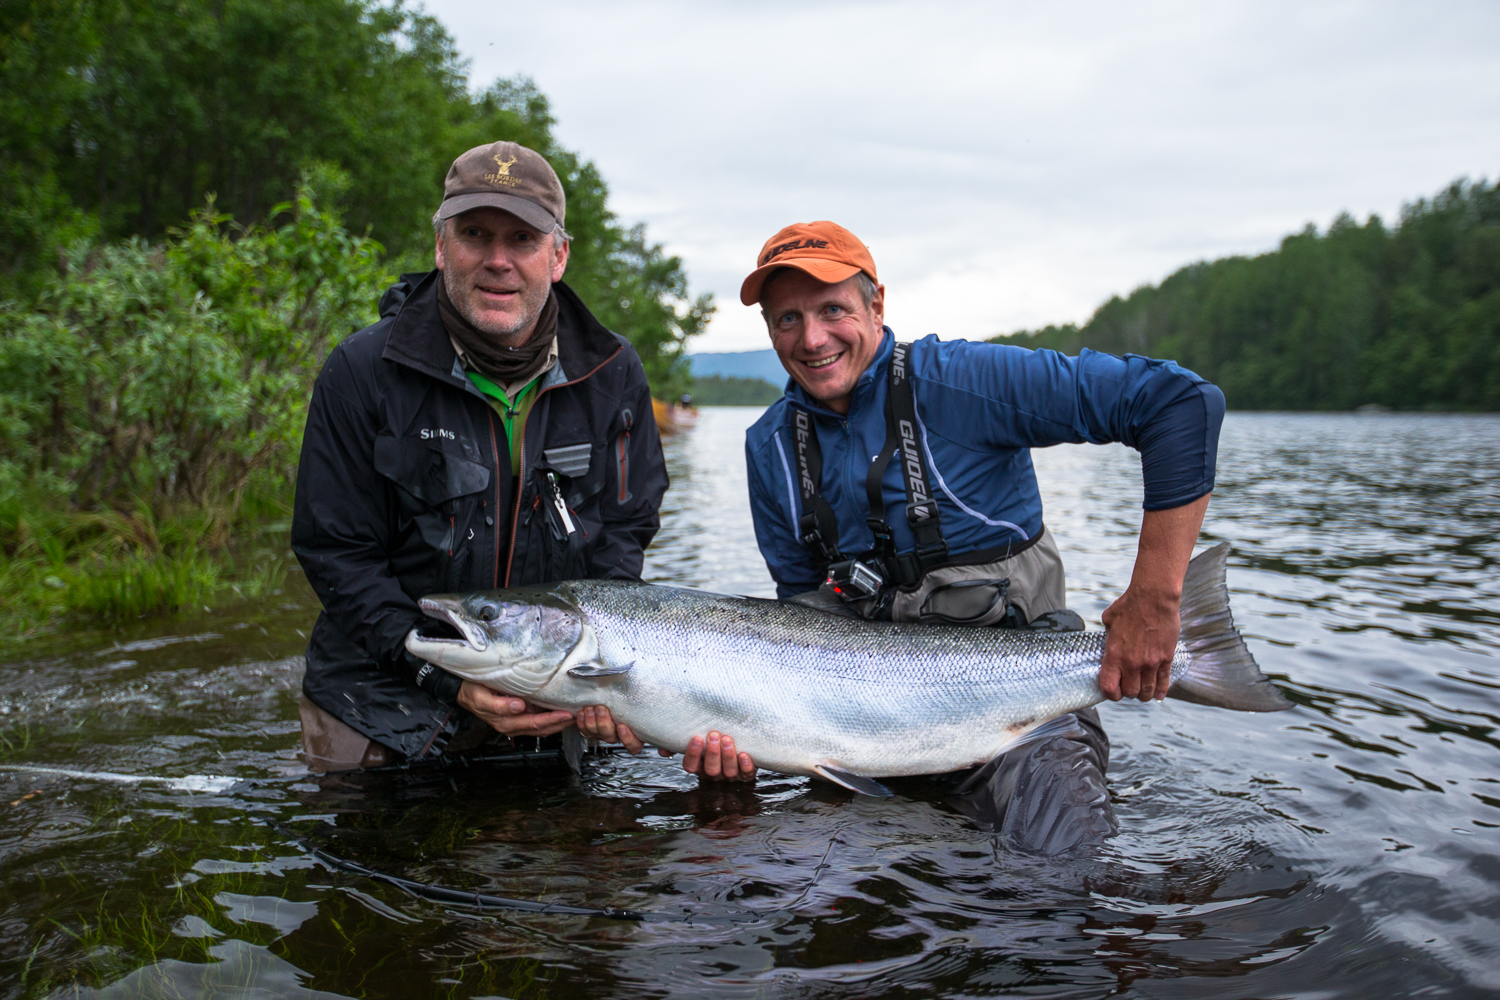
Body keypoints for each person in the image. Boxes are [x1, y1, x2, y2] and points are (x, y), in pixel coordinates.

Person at [694, 221, 1225, 852]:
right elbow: (798, 622)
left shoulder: (965, 382)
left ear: (876, 304)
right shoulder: (769, 448)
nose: (812, 339)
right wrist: (740, 730)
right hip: (863, 732)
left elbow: (1179, 403)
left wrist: (1157, 598)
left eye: (832, 309)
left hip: (1027, 718)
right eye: (787, 320)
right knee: (774, 886)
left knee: (1067, 883)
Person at [291, 140, 665, 770]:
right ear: (441, 247)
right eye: (474, 235)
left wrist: (589, 678)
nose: (498, 260)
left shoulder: (612, 373)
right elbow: (337, 557)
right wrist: (448, 681)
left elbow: (624, 535)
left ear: (558, 256)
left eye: (522, 239)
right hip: (383, 688)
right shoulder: (360, 371)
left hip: (555, 682)